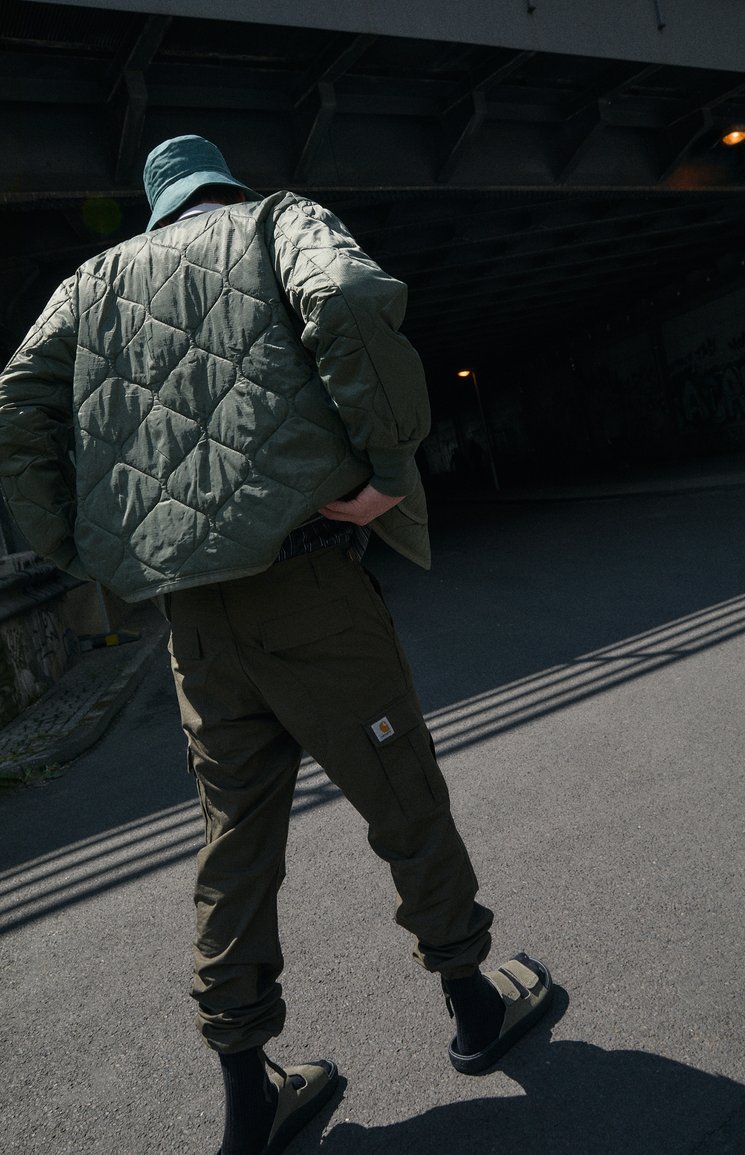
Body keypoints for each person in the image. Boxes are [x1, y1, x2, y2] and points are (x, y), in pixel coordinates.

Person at [0, 135, 553, 1154]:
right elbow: (345, 296)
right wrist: (387, 469)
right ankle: (476, 1007)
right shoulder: (274, 222)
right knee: (401, 794)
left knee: (234, 842)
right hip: (309, 590)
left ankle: (249, 1096)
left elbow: (17, 399)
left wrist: (76, 547)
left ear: (159, 206)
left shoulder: (87, 286)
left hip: (195, 625)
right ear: (223, 182)